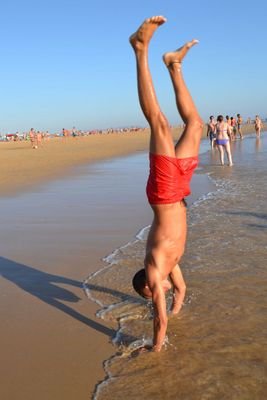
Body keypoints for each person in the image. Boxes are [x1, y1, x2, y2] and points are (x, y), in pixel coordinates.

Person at [130, 16, 203, 352]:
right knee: (195, 126)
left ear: (147, 285)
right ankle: (174, 65)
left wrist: (156, 348)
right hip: (181, 191)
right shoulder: (171, 268)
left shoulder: (154, 269)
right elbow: (182, 291)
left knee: (159, 124)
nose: (157, 294)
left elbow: (159, 318)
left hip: (164, 195)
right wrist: (178, 304)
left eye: (152, 292)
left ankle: (140, 48)